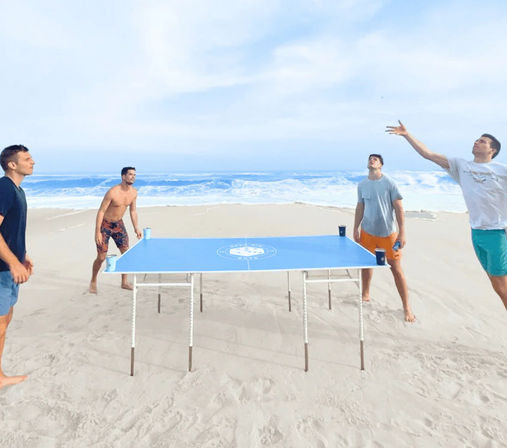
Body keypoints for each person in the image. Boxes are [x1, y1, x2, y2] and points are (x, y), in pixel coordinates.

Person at [386, 121, 507, 310]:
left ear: (492, 150)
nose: (476, 142)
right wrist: (407, 135)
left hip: (498, 232)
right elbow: (428, 154)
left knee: (501, 284)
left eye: (482, 141)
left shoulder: (501, 170)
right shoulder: (461, 165)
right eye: (476, 140)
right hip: (476, 233)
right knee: (497, 285)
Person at [353, 154, 416, 322]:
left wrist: (402, 232)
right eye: (370, 158)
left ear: (381, 165)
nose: (372, 160)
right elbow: (360, 206)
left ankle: (407, 308)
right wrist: (355, 228)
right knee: (366, 264)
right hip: (367, 232)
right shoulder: (362, 185)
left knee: (395, 268)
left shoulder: (389, 183)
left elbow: (399, 208)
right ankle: (365, 294)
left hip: (388, 233)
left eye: (375, 159)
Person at [0, 145, 35, 389]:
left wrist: (23, 256)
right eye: (27, 158)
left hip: (9, 267)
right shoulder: (4, 188)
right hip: (2, 269)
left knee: (5, 320)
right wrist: (13, 262)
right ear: (12, 164)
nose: (33, 161)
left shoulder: (17, 190)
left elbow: (10, 230)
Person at [89, 167, 142, 294]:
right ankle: (93, 281)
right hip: (105, 225)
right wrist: (97, 232)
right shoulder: (112, 192)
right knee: (101, 257)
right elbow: (101, 211)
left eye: (134, 174)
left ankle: (124, 282)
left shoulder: (134, 193)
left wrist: (136, 228)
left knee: (126, 254)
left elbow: (133, 211)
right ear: (123, 176)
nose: (133, 177)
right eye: (130, 174)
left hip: (119, 224)